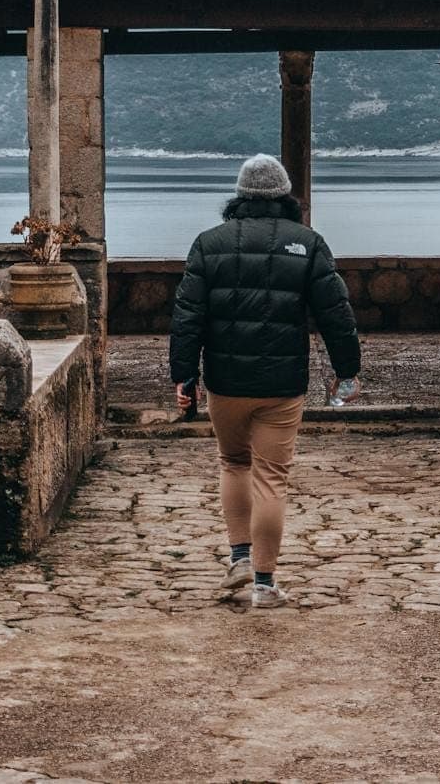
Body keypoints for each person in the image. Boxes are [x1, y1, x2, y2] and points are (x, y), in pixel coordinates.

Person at [169, 153, 361, 608]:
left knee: (233, 463)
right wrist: (346, 370)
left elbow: (187, 317)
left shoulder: (208, 243)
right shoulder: (307, 242)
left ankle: (238, 557)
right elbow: (336, 314)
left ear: (239, 196)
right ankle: (264, 584)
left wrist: (184, 376)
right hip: (282, 383)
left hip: (225, 381)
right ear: (284, 196)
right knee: (271, 478)